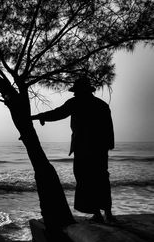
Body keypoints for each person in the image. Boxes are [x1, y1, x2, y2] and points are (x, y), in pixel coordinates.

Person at [31, 77, 116, 223]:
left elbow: (58, 113)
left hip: (83, 147)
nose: (75, 94)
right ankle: (106, 213)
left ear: (80, 91)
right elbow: (109, 128)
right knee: (101, 178)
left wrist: (40, 116)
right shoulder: (101, 105)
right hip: (99, 149)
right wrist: (108, 145)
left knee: (85, 179)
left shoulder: (76, 102)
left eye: (76, 91)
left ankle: (97, 213)